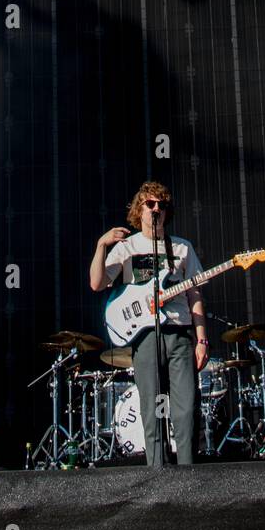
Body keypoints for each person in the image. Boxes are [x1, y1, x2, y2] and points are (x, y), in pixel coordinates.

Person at [89, 181, 208, 465]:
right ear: (139, 209)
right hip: (144, 336)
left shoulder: (181, 248)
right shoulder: (127, 247)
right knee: (152, 409)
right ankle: (156, 473)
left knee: (185, 408)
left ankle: (188, 473)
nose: (157, 209)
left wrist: (202, 339)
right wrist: (101, 245)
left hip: (178, 333)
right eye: (151, 204)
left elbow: (195, 295)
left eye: (162, 205)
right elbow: (97, 283)